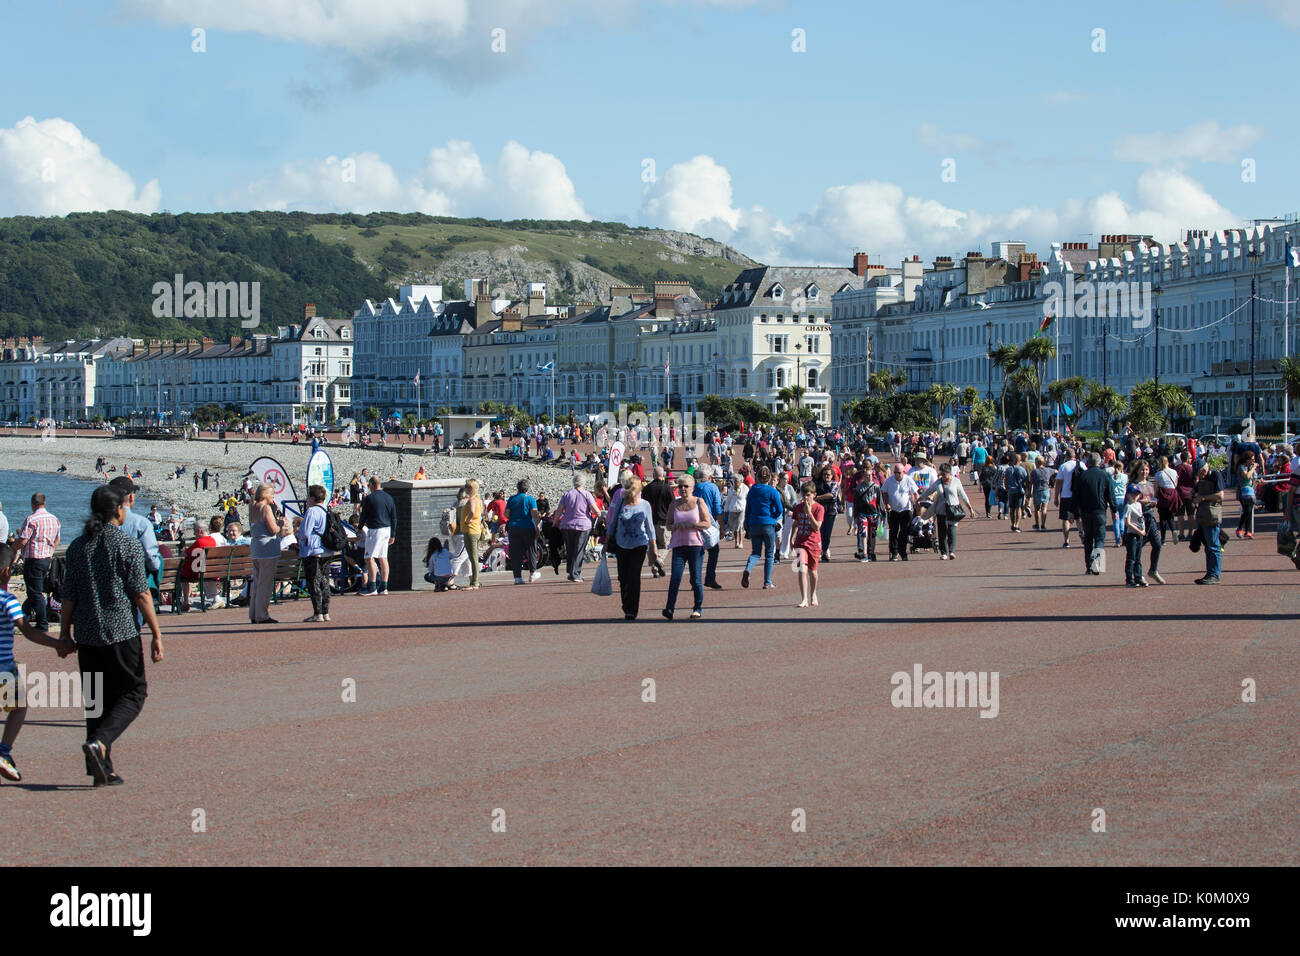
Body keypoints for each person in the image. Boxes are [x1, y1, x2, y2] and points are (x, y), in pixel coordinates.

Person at [60, 484, 164, 787]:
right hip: (120, 632)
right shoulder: (126, 545)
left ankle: (100, 769)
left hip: (87, 634)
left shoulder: (78, 547)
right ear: (117, 510)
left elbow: (69, 596)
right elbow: (141, 594)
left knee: (95, 701)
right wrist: (157, 633)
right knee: (134, 692)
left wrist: (65, 633)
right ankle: (100, 743)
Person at [0, 543, 76, 782]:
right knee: (18, 708)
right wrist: (59, 644)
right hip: (4, 669)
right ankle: (3, 752)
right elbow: (30, 633)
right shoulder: (8, 600)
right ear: (6, 572)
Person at [662, 474, 709, 621]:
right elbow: (668, 525)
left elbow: (707, 523)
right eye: (680, 486)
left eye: (686, 486)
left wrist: (691, 525)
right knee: (675, 578)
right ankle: (669, 608)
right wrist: (675, 526)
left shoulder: (699, 502)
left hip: (695, 545)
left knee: (695, 579)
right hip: (678, 545)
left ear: (692, 488)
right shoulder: (674, 504)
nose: (682, 489)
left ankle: (697, 608)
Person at [611, 477, 658, 620]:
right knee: (622, 578)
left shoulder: (645, 505)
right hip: (621, 544)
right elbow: (613, 523)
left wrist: (653, 546)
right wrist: (607, 540)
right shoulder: (620, 502)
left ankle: (632, 609)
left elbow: (650, 527)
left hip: (639, 545)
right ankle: (626, 604)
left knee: (633, 577)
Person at [14, 493, 60, 632]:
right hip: (46, 559)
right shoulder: (54, 519)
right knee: (35, 589)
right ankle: (24, 614)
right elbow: (57, 540)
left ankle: (42, 623)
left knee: (35, 592)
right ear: (44, 502)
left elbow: (22, 540)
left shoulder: (31, 519)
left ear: (32, 504)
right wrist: (50, 551)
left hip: (34, 558)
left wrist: (11, 550)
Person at [249, 483, 291, 623]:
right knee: (265, 584)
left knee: (257, 582)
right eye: (272, 493)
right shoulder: (265, 508)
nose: (273, 496)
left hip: (256, 547)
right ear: (266, 494)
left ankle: (254, 614)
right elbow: (273, 529)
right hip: (267, 550)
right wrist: (280, 524)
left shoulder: (252, 507)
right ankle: (262, 615)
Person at [918, 463, 974, 559]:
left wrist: (970, 508)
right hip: (941, 510)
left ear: (949, 473)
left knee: (952, 530)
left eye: (944, 474)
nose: (943, 476)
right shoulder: (938, 482)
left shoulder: (956, 481)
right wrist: (920, 498)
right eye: (941, 474)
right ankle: (943, 553)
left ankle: (951, 551)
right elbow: (929, 490)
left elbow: (962, 494)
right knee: (942, 532)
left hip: (953, 510)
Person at [740, 466, 782, 590]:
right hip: (768, 523)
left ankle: (748, 569)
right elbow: (779, 509)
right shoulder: (772, 491)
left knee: (756, 552)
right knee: (769, 553)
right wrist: (773, 516)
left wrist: (747, 525)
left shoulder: (752, 491)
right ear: (769, 478)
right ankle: (767, 581)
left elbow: (748, 510)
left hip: (754, 523)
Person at [1073, 452, 1114, 576]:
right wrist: (1114, 510)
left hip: (1086, 511)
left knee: (1088, 539)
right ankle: (1097, 564)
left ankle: (1088, 567)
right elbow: (1110, 494)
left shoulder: (1082, 476)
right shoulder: (1105, 475)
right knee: (1100, 539)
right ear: (1099, 462)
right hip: (1100, 510)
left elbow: (1076, 495)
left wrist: (1075, 512)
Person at [297, 484, 332, 623]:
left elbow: (305, 533)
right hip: (327, 549)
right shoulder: (327, 511)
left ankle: (317, 613)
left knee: (314, 582)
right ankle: (326, 612)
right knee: (325, 581)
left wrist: (298, 533)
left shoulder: (312, 511)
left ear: (311, 498)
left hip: (313, 550)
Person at [1129, 458, 1165, 585]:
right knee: (1137, 548)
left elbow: (1153, 498)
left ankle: (1153, 570)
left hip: (1150, 517)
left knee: (1157, 544)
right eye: (1142, 470)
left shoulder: (1150, 484)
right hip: (1139, 518)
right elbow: (1133, 499)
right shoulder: (1134, 485)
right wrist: (1146, 500)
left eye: (1146, 469)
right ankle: (1137, 575)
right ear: (1137, 471)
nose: (1144, 472)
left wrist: (1154, 502)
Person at [358, 476, 396, 596]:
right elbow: (394, 516)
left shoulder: (370, 498)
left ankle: (372, 586)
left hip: (375, 529)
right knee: (382, 557)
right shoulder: (389, 497)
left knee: (369, 558)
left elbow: (364, 514)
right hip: (387, 529)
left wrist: (359, 528)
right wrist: (393, 534)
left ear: (372, 485)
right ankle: (384, 587)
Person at [557, 474, 598, 582]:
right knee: (579, 550)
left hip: (567, 525)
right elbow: (595, 510)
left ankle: (571, 571)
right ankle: (575, 573)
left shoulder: (567, 494)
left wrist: (555, 522)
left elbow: (559, 510)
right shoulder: (587, 494)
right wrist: (600, 516)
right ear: (583, 483)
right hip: (583, 525)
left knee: (570, 549)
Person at [1191, 457, 1224, 584]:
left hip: (1212, 515)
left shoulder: (1215, 475)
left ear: (1204, 468)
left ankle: (1214, 574)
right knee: (1208, 546)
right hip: (1203, 515)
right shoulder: (1202, 479)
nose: (1199, 476)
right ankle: (1210, 573)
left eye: (1200, 473)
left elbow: (1220, 496)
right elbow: (1194, 491)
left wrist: (1203, 498)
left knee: (1214, 546)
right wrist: (1193, 495)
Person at [792, 481, 824, 608]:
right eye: (803, 495)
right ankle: (804, 598)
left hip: (814, 543)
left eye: (808, 495)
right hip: (801, 542)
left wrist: (809, 512)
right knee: (802, 569)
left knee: (813, 572)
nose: (805, 498)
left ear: (814, 495)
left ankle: (813, 593)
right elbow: (795, 524)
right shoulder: (798, 507)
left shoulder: (819, 508)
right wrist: (791, 538)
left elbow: (817, 527)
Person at [505, 479, 542, 585]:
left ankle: (517, 577)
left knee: (516, 552)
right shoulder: (530, 499)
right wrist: (537, 527)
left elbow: (506, 514)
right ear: (527, 488)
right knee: (531, 550)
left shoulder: (511, 499)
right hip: (527, 527)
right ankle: (532, 573)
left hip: (513, 527)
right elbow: (534, 514)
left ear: (518, 488)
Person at [882, 463, 919, 561]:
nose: (896, 474)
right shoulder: (889, 480)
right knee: (893, 532)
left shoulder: (908, 480)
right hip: (893, 510)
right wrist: (887, 503)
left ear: (903, 472)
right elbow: (884, 492)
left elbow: (915, 492)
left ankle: (903, 552)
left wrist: (916, 503)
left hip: (906, 510)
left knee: (904, 532)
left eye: (898, 473)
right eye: (895, 472)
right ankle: (894, 552)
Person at [1122, 483, 1148, 587]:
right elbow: (1127, 522)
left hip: (1139, 534)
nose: (1135, 496)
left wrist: (1143, 530)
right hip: (1132, 535)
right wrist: (1138, 531)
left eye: (1137, 494)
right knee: (1131, 558)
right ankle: (1129, 579)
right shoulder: (1128, 506)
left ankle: (1138, 577)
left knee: (1138, 558)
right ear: (1128, 495)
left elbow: (1141, 519)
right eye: (1132, 494)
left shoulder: (1139, 505)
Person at [1054, 448, 1080, 548]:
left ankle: (1066, 541)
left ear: (1066, 456)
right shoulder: (1080, 465)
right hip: (1077, 495)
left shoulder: (1063, 466)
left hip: (1066, 495)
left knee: (1065, 519)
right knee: (1078, 518)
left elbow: (1058, 483)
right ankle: (1082, 535)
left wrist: (1056, 497)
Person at [1236, 451, 1257, 539]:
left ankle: (1248, 531)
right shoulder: (1242, 467)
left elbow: (1253, 479)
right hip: (1242, 491)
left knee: (1249, 510)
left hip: (1251, 491)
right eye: (1251, 460)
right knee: (1247, 510)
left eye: (1254, 460)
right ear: (1247, 460)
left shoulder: (1251, 468)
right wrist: (1254, 468)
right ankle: (1240, 528)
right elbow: (1247, 476)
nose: (1253, 461)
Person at [1005, 454, 1028, 533]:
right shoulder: (1022, 469)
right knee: (1018, 508)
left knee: (1011, 508)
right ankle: (1017, 525)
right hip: (1019, 490)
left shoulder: (1008, 469)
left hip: (1011, 491)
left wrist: (1007, 489)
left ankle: (1012, 524)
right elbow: (1026, 480)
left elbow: (1006, 480)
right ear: (1019, 460)